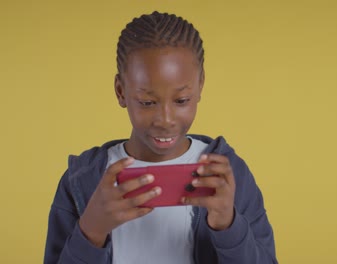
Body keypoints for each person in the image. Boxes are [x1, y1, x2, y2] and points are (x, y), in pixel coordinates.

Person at [44, 11, 277, 264]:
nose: (165, 120)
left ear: (200, 85)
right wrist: (91, 230)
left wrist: (228, 226)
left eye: (181, 101)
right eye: (147, 102)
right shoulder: (83, 180)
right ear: (121, 91)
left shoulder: (226, 176)